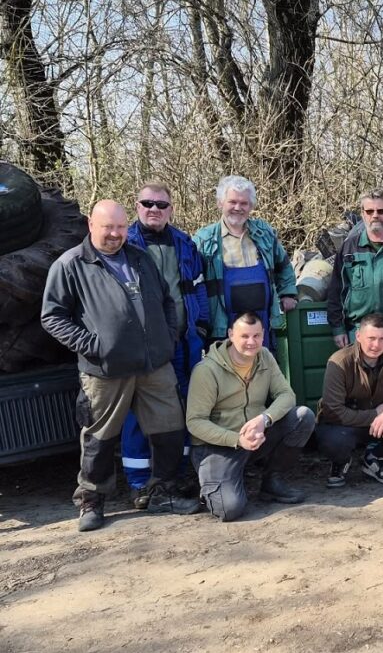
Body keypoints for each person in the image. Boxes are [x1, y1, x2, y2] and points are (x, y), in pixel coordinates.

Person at [41, 200, 200, 531]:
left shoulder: (141, 259)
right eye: (107, 227)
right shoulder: (71, 265)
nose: (115, 234)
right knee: (100, 437)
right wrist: (93, 346)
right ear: (91, 226)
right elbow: (52, 316)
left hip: (154, 364)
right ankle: (91, 501)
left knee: (169, 429)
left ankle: (163, 493)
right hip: (105, 370)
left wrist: (167, 338)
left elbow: (168, 301)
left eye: (120, 227)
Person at [120, 182, 209, 509]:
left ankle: (177, 476)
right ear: (137, 205)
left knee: (184, 410)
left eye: (161, 204)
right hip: (144, 350)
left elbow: (198, 286)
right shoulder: (124, 244)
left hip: (184, 344)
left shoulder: (185, 243)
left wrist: (201, 325)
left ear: (171, 208)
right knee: (139, 415)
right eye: (148, 203)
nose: (154, 209)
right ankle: (140, 483)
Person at [186, 312, 314, 521]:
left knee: (302, 416)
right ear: (230, 335)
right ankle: (214, 485)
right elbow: (195, 422)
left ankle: (272, 482)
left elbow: (286, 395)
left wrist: (264, 419)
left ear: (263, 335)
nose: (251, 342)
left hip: (255, 436)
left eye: (256, 336)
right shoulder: (206, 370)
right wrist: (236, 439)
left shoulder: (265, 356)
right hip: (217, 446)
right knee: (230, 509)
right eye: (244, 336)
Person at [317, 313, 383, 487]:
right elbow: (332, 410)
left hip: (379, 423)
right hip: (345, 423)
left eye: (382, 339)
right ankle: (341, 461)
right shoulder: (339, 362)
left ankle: (374, 457)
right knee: (333, 440)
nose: (376, 345)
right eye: (371, 338)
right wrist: (375, 414)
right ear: (358, 336)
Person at [192, 175, 298, 348]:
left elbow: (283, 265)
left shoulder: (264, 234)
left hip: (262, 325)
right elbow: (193, 283)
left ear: (251, 206)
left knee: (263, 372)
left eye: (244, 203)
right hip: (223, 326)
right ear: (220, 203)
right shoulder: (204, 240)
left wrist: (288, 293)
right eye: (232, 202)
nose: (237, 208)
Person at [326, 188, 383, 353]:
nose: (375, 215)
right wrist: (338, 328)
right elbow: (336, 291)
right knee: (363, 379)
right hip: (360, 330)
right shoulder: (348, 248)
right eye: (370, 211)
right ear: (362, 213)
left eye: (381, 211)